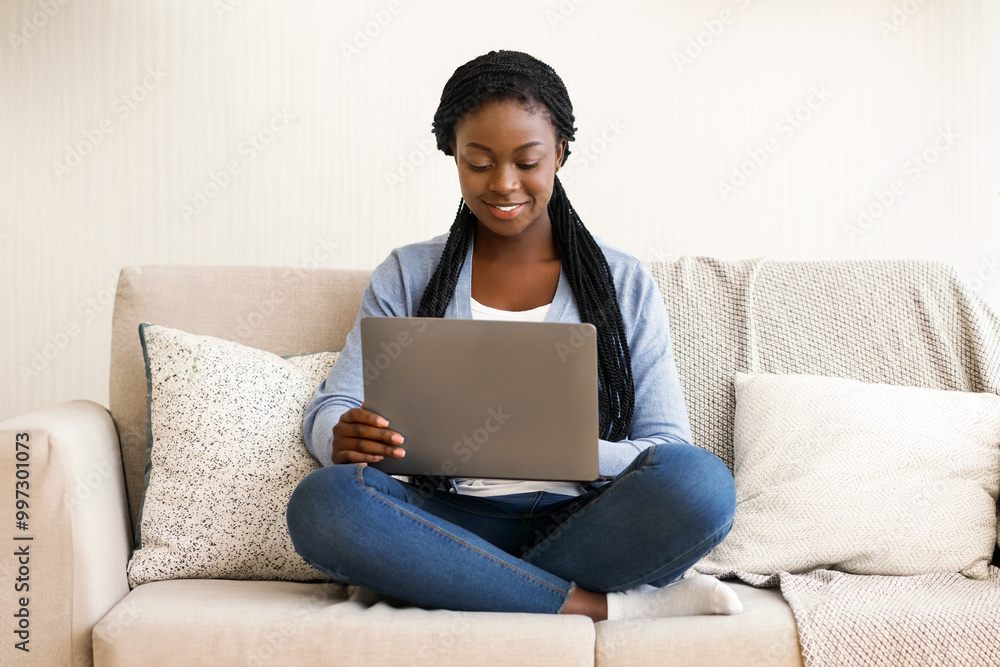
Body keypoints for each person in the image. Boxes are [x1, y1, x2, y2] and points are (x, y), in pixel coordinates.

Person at [286, 50, 741, 622]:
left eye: (528, 161)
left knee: (702, 485)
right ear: (453, 155)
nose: (504, 184)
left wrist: (564, 449)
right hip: (442, 519)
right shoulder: (408, 273)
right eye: (479, 163)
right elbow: (333, 407)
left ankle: (469, 583)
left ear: (560, 155)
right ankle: (599, 607)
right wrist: (342, 435)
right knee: (325, 504)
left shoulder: (623, 280)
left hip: (585, 525)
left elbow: (667, 448)